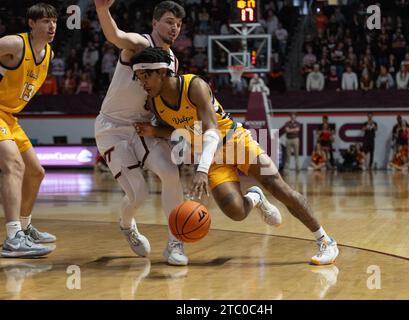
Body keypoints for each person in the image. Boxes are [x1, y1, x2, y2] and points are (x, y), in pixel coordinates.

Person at [132, 47, 339, 265]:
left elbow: (211, 131)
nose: (142, 83)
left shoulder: (194, 86)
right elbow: (182, 131)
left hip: (235, 141)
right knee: (236, 212)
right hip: (211, 157)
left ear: (162, 72)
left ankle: (326, 241)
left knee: (279, 187)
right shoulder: (155, 103)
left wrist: (201, 170)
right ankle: (255, 198)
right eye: (139, 78)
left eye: (146, 76)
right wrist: (154, 131)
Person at [94, 0, 188, 265]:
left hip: (143, 127)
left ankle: (176, 243)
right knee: (139, 194)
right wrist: (102, 10)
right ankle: (127, 225)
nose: (175, 28)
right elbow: (116, 36)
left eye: (179, 24)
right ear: (155, 23)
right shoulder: (140, 44)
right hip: (113, 127)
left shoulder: (172, 60)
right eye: (169, 22)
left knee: (171, 172)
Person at [0, 3, 58, 258]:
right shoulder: (14, 44)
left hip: (10, 117)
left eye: (54, 21)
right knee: (14, 166)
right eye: (45, 21)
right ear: (32, 24)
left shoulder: (49, 54)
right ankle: (13, 237)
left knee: (36, 172)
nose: (51, 25)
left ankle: (24, 228)